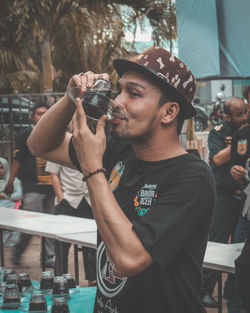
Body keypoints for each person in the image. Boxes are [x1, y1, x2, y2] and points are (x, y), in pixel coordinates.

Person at [27, 47, 216, 313]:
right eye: (119, 90)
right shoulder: (118, 150)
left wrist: (93, 167)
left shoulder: (192, 177)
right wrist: (71, 98)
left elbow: (129, 258)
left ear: (169, 112)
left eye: (134, 93)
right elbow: (39, 145)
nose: (117, 102)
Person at [201, 97, 249, 308]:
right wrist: (241, 140)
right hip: (224, 196)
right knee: (218, 243)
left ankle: (232, 291)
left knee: (239, 248)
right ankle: (203, 290)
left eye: (246, 112)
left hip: (244, 198)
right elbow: (217, 159)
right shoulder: (219, 131)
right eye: (239, 114)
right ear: (227, 116)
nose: (244, 117)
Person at [4, 103, 55, 268]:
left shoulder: (54, 133)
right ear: (32, 116)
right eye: (39, 113)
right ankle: (18, 252)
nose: (42, 116)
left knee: (51, 224)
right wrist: (10, 181)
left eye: (45, 114)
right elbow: (17, 160)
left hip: (51, 185)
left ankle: (48, 257)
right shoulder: (25, 134)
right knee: (31, 224)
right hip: (32, 186)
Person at [45, 123, 96, 285]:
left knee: (91, 244)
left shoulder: (94, 143)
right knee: (62, 244)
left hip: (89, 201)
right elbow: (53, 174)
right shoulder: (60, 144)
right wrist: (61, 198)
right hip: (68, 200)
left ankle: (93, 279)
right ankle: (60, 279)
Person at [224, 123, 250, 313]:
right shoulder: (241, 134)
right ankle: (234, 304)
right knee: (237, 259)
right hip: (246, 209)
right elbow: (233, 164)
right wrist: (235, 171)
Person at [0, 157, 22, 246]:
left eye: (1, 168)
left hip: (8, 204)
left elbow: (20, 194)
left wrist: (6, 197)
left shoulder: (13, 181)